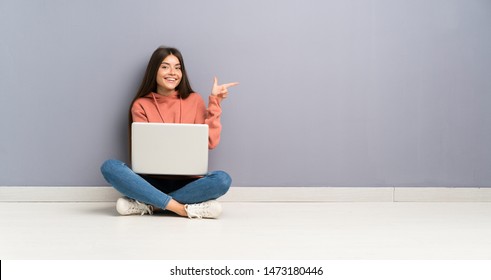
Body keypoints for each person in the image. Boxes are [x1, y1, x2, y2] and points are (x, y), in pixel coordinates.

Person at [100, 46, 239, 219]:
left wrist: (215, 103)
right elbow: (143, 150)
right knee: (110, 167)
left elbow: (210, 142)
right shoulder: (141, 105)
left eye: (177, 67)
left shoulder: (194, 100)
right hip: (150, 181)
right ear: (154, 71)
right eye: (165, 66)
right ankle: (182, 208)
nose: (172, 72)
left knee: (223, 180)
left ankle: (150, 204)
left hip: (188, 181)